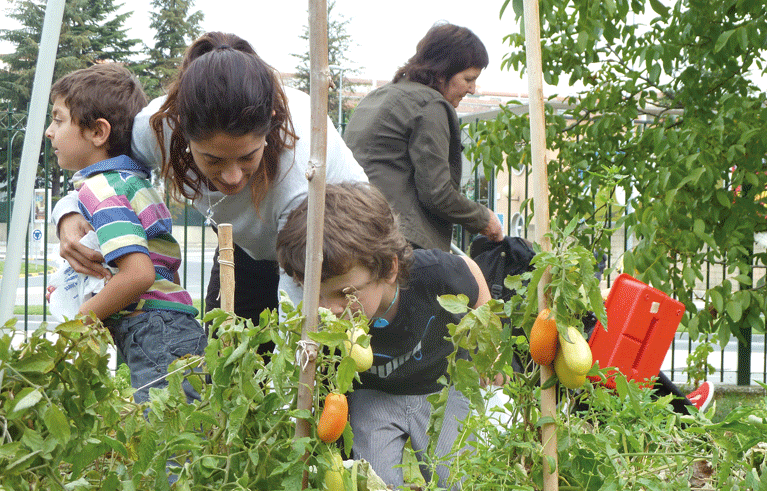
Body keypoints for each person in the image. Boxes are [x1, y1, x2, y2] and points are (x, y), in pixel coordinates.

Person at [51, 32, 368, 327]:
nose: (231, 179)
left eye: (247, 157)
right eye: (212, 159)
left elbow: (295, 309)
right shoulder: (155, 127)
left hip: (338, 255)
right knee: (222, 364)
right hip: (244, 250)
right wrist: (69, 211)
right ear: (181, 129)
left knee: (320, 368)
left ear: (269, 127)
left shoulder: (299, 167)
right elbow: (107, 173)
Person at [276, 182, 492, 491]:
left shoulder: (433, 276)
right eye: (313, 293)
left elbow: (474, 279)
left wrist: (486, 348)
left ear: (389, 268)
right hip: (374, 393)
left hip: (442, 385)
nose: (327, 308)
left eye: (343, 293)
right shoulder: (322, 325)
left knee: (459, 482)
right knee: (372, 489)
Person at [45, 63, 206, 404]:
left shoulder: (102, 189)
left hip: (155, 330)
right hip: (167, 328)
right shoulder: (128, 181)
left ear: (98, 132)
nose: (49, 131)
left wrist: (76, 324)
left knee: (171, 446)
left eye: (58, 120)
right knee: (185, 433)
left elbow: (138, 275)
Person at [343, 22, 504, 252]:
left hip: (354, 231)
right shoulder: (429, 105)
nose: (473, 89)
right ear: (441, 72)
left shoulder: (378, 96)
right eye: (469, 79)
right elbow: (437, 193)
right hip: (398, 242)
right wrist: (484, 218)